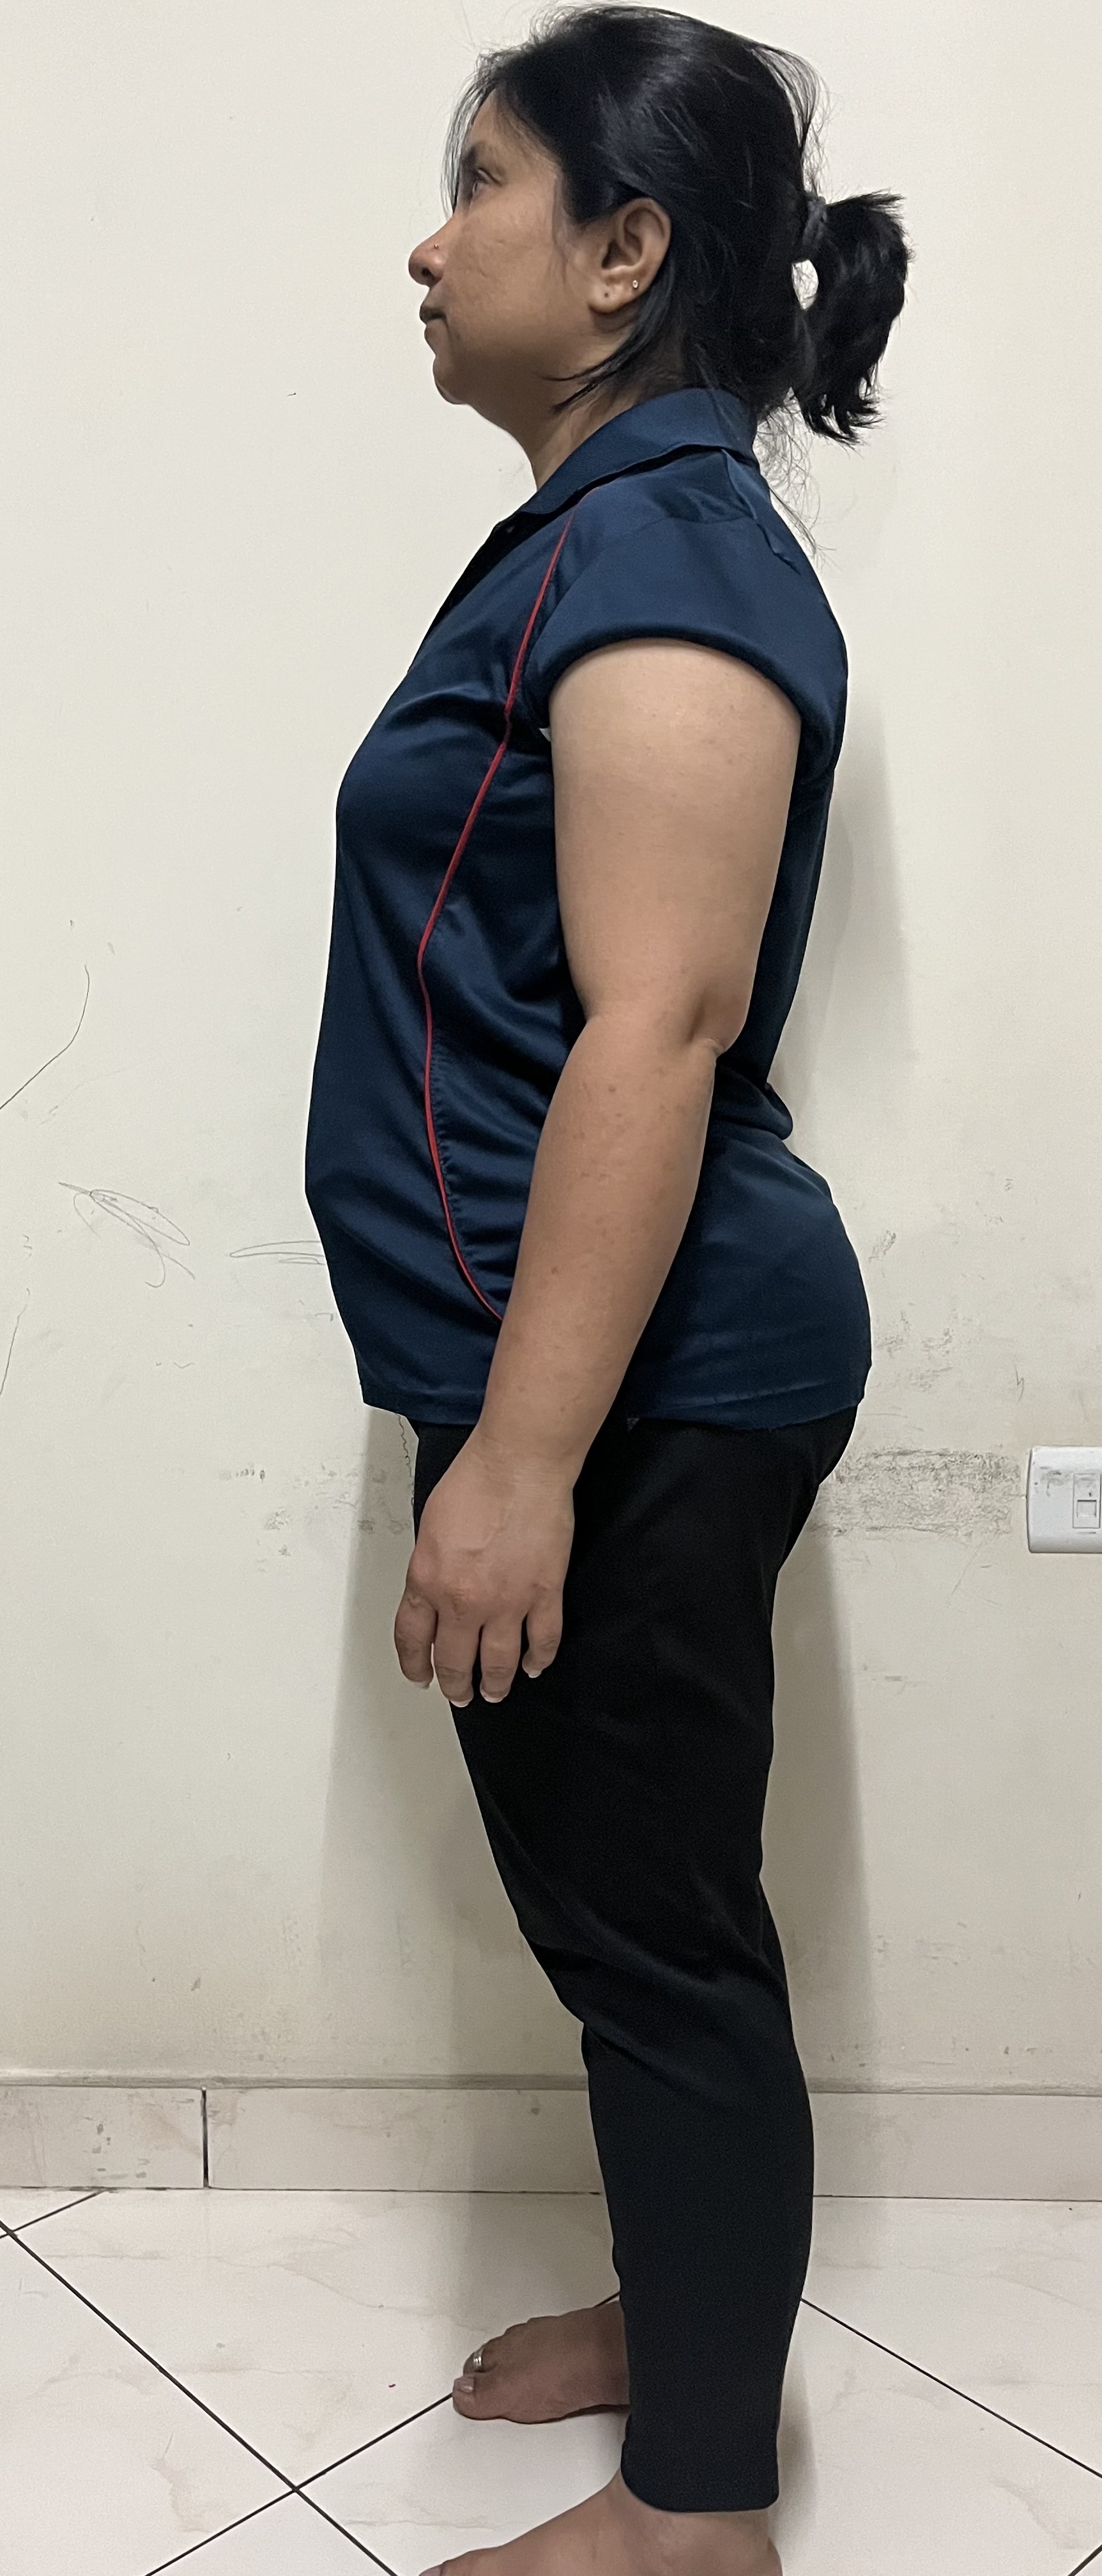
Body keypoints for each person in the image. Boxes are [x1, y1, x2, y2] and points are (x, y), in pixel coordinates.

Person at [305, 9, 908, 2571]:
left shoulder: (664, 554)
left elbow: (655, 1025)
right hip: (587, 1370)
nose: (429, 244)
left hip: (644, 1383)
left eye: (483, 183)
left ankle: (697, 2513)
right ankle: (692, 2329)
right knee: (609, 1904)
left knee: (656, 1933)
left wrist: (526, 1458)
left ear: (629, 247)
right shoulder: (609, 534)